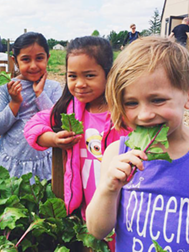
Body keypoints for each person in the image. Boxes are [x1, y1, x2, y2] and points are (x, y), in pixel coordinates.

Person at [85, 36, 189, 251]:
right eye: (131, 103)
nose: (144, 115)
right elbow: (97, 230)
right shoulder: (116, 153)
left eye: (157, 100)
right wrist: (109, 188)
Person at [24, 37, 130, 250]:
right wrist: (52, 139)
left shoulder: (123, 115)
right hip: (82, 206)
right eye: (72, 76)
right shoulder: (70, 110)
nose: (80, 84)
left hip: (121, 204)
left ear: (108, 74)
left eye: (89, 75)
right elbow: (32, 125)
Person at [0, 32, 62, 182]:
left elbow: (57, 123)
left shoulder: (53, 88)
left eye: (39, 58)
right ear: (14, 60)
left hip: (43, 164)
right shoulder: (6, 88)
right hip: (10, 163)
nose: (33, 65)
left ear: (48, 58)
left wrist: (40, 94)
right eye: (26, 60)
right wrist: (15, 102)